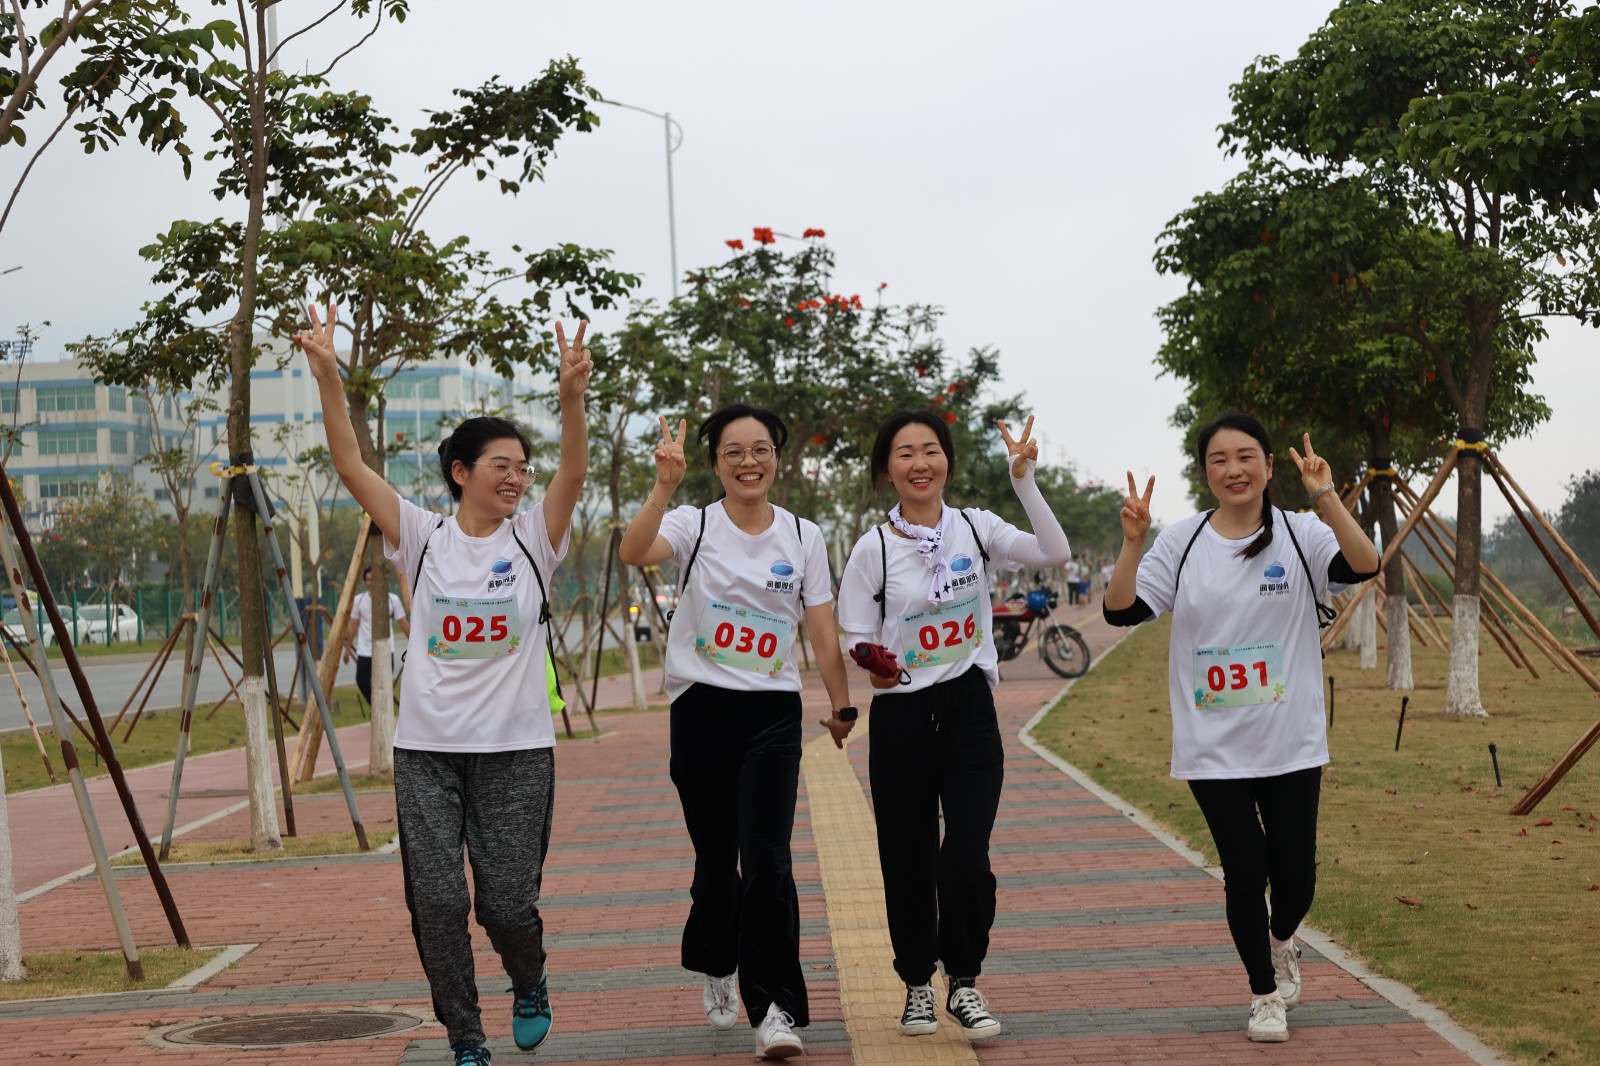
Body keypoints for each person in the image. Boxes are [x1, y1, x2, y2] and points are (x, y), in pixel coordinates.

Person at [296, 303, 591, 1066]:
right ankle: (465, 1037)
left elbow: (573, 472)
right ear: (461, 472)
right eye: (502, 466)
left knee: (506, 904)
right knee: (436, 902)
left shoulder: (535, 538)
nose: (517, 479)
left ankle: (529, 977)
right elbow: (351, 466)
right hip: (426, 752)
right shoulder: (420, 537)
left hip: (516, 753)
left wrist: (571, 399)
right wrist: (328, 376)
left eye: (522, 469)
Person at [1102, 412, 1379, 1044]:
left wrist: (1326, 496)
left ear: (1269, 466)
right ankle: (1264, 994)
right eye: (1219, 460)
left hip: (1290, 738)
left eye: (1245, 457)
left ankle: (1281, 942)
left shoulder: (1300, 531)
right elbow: (1121, 611)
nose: (1234, 470)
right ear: (1205, 472)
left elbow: (1364, 565)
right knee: (1245, 869)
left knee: (1296, 877)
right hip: (1212, 744)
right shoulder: (1182, 542)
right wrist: (1132, 543)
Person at [618, 405, 855, 1061]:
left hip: (772, 714)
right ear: (716, 463)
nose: (749, 462)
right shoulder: (692, 524)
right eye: (733, 452)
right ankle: (718, 961)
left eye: (760, 450)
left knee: (769, 862)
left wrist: (841, 705)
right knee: (717, 864)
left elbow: (821, 626)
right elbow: (634, 551)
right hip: (701, 710)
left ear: (777, 457)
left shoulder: (804, 535)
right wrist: (663, 486)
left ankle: (775, 1009)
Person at [835, 410, 1071, 1041]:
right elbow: (855, 632)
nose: (920, 463)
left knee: (966, 854)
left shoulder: (977, 527)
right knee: (906, 857)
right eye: (905, 453)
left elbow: (1055, 552)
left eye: (931, 450)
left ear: (947, 461)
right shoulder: (873, 548)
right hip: (902, 715)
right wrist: (875, 663)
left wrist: (1023, 481)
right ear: (887, 470)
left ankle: (963, 981)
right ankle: (917, 984)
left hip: (969, 710)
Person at [342, 566, 411, 709]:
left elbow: (403, 624)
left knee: (384, 684)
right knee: (361, 680)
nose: (371, 582)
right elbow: (353, 626)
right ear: (365, 582)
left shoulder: (392, 600)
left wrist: (415, 644)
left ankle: (383, 712)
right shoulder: (359, 601)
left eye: (374, 579)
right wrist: (347, 650)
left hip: (386, 649)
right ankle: (375, 706)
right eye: (368, 580)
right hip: (365, 650)